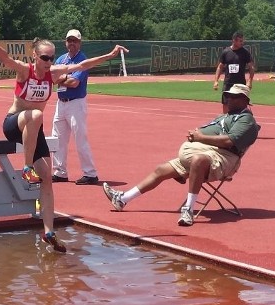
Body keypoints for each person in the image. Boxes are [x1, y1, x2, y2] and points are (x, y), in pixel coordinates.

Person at [0, 26, 128, 252]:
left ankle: (49, 231)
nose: (49, 62)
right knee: (37, 114)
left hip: (34, 130)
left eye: (51, 58)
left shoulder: (53, 73)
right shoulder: (24, 70)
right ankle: (26, 166)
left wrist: (110, 55)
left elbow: (82, 65)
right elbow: (4, 57)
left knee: (47, 180)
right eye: (44, 58)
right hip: (15, 123)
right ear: (35, 56)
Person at [102, 84, 258, 227]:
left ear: (244, 100)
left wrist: (200, 138)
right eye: (227, 96)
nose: (228, 99)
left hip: (224, 158)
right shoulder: (224, 116)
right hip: (206, 151)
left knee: (197, 160)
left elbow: (228, 141)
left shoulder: (246, 120)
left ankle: (188, 209)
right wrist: (196, 135)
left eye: (233, 97)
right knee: (161, 170)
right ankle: (122, 199)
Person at [51, 29, 100, 186]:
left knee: (80, 139)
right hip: (61, 103)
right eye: (69, 40)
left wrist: (61, 78)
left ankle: (90, 173)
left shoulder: (82, 60)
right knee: (57, 139)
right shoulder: (60, 59)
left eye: (75, 41)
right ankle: (60, 172)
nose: (72, 43)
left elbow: (74, 82)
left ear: (79, 43)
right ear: (66, 42)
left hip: (76, 103)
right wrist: (65, 78)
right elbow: (52, 78)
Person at [214, 31, 254, 113]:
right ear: (234, 40)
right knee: (225, 104)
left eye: (242, 41)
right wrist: (216, 81)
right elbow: (220, 67)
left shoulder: (245, 52)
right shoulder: (226, 52)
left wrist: (250, 81)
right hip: (228, 83)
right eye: (240, 41)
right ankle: (225, 121)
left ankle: (241, 121)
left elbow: (251, 67)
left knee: (242, 104)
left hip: (240, 84)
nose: (242, 43)